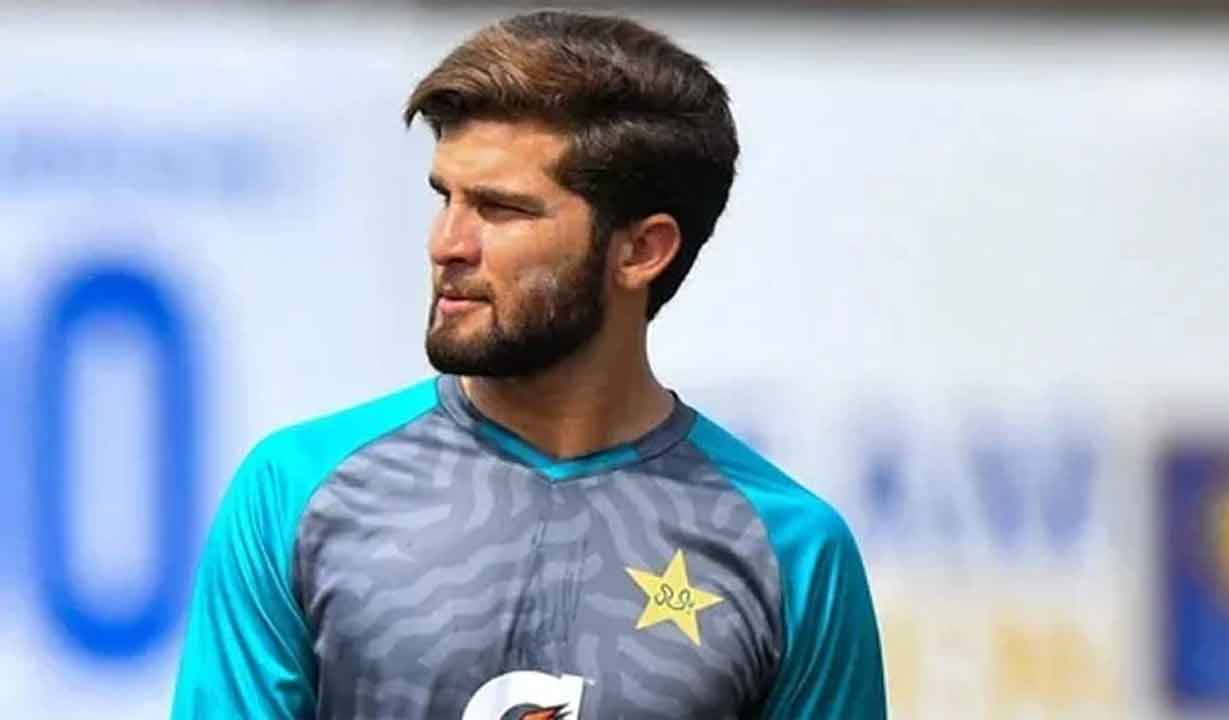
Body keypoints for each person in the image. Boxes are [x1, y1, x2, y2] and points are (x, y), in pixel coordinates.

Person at [171, 10, 885, 719]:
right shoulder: (296, 492)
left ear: (642, 251)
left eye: (500, 209)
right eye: (445, 197)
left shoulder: (790, 553)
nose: (447, 243)